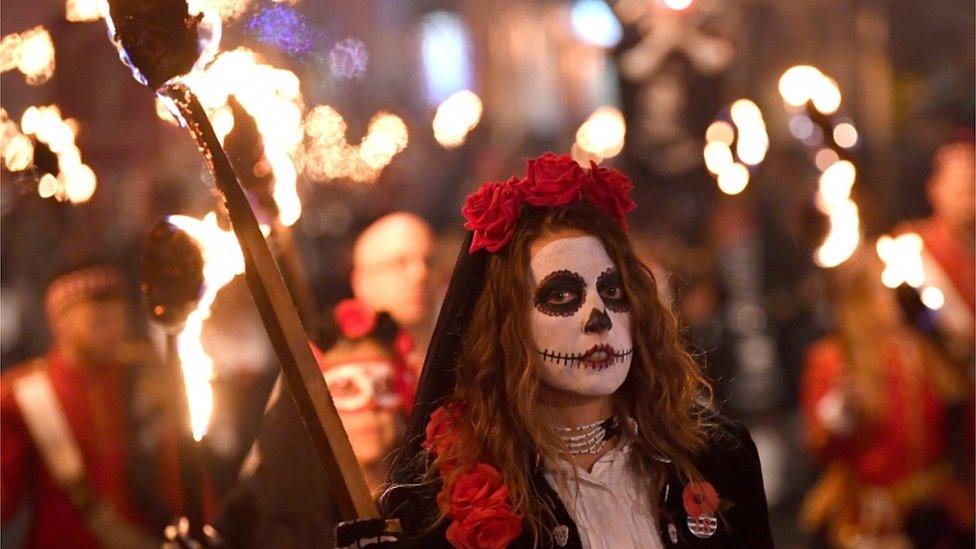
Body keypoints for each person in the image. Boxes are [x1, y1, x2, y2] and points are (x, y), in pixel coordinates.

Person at [367, 153, 772, 548]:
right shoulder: (448, 497)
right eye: (561, 294)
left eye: (613, 291)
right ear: (508, 325)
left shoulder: (719, 458)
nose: (600, 318)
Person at [1, 263, 181, 548]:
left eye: (117, 316)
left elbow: (180, 475)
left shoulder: (146, 383)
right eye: (98, 320)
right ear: (60, 321)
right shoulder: (21, 395)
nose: (113, 328)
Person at [800, 252, 972, 547]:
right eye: (882, 292)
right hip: (870, 520)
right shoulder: (832, 360)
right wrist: (841, 411)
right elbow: (820, 449)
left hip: (934, 515)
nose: (891, 301)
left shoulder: (919, 350)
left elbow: (960, 419)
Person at [216, 299, 413, 548]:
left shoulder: (430, 501)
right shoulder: (270, 502)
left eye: (384, 386)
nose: (370, 408)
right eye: (345, 388)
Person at [350, 212, 435, 368]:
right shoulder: (339, 366)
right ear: (361, 282)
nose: (420, 275)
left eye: (429, 262)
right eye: (399, 263)